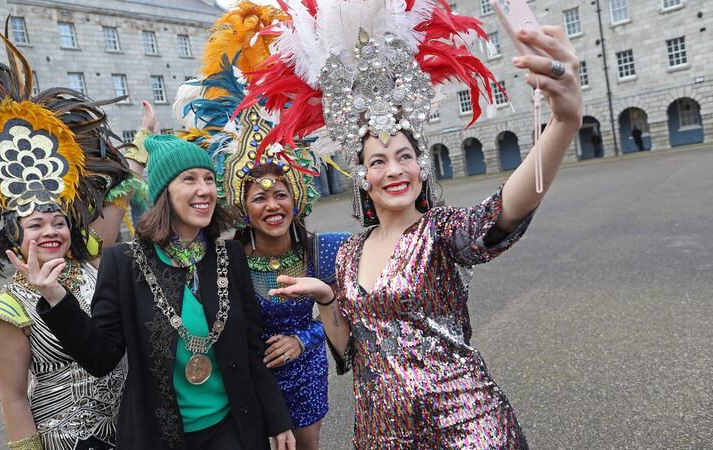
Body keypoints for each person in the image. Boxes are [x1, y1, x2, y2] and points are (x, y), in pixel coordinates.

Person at [239, 1, 583, 447]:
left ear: (421, 166)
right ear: (363, 176)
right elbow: (349, 354)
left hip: (467, 426)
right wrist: (327, 297)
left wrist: (563, 121)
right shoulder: (347, 254)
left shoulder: (442, 231)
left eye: (405, 156)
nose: (395, 170)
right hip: (383, 432)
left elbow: (505, 210)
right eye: (378, 161)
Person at [0, 25, 146, 449]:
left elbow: (115, 206)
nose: (50, 231)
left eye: (57, 221)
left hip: (128, 429)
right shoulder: (8, 309)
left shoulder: (92, 264)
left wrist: (140, 145)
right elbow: (13, 398)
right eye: (35, 225)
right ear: (15, 238)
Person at [26, 133, 296, 450]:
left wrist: (278, 419)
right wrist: (57, 297)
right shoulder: (123, 264)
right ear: (164, 192)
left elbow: (252, 348)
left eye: (209, 179)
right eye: (189, 179)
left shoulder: (230, 256)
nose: (204, 189)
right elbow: (101, 357)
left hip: (231, 427)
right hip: (159, 435)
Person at [172, 5, 348, 447]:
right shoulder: (225, 259)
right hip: (249, 380)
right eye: (260, 197)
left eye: (281, 194)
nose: (273, 205)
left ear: (297, 199)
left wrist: (303, 338)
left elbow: (349, 312)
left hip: (305, 373)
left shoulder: (323, 250)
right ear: (242, 206)